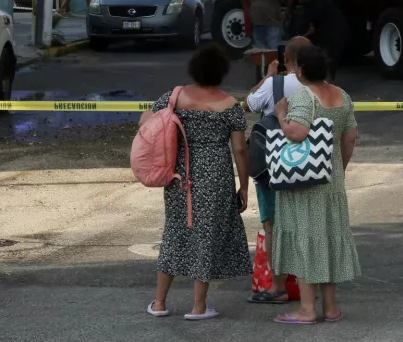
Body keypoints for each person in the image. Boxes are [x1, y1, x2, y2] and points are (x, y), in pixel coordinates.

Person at [140, 44, 253, 319]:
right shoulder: (229, 106)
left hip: (180, 174)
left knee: (175, 232)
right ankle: (198, 306)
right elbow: (239, 149)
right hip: (216, 177)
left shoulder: (174, 97)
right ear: (222, 72)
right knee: (206, 236)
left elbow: (146, 122)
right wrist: (244, 187)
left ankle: (159, 303)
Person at [271, 45, 360, 324]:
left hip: (304, 181)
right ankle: (330, 308)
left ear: (300, 71)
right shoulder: (342, 95)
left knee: (306, 239)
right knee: (327, 240)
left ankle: (307, 309)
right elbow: (350, 138)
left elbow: (296, 133)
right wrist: (340, 169)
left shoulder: (302, 96)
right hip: (331, 179)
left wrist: (280, 115)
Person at [243, 36, 312, 304]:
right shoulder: (318, 86)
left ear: (286, 59)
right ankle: (307, 286)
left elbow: (249, 104)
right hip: (307, 164)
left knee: (272, 225)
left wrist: (266, 76)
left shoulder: (276, 83)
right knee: (304, 224)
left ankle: (278, 287)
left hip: (272, 166)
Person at [290, 0, 347, 81]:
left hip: (332, 35)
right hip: (332, 32)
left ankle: (326, 84)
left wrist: (302, 37)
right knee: (325, 58)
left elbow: (310, 25)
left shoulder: (314, 1)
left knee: (326, 59)